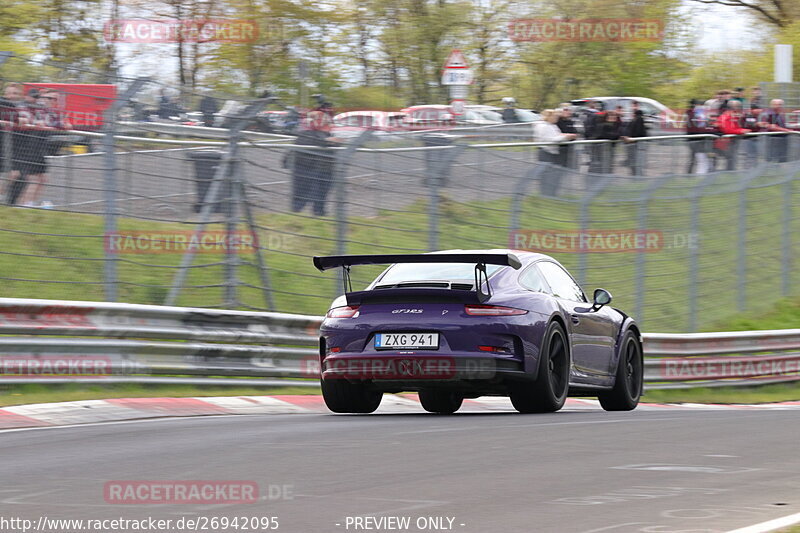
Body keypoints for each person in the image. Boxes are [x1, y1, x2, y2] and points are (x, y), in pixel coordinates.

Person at [289, 110, 341, 216]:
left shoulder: (327, 134)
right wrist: (328, 141)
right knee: (302, 194)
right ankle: (296, 214)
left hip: (325, 170)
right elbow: (311, 141)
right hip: (306, 169)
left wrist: (331, 141)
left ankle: (318, 213)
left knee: (321, 195)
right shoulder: (306, 134)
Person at [534, 109, 577, 196]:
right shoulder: (543, 126)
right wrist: (566, 137)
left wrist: (564, 136)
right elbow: (550, 140)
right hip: (546, 152)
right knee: (547, 175)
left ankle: (552, 194)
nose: (557, 118)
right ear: (548, 117)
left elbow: (556, 136)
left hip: (553, 152)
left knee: (554, 175)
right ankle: (546, 194)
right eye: (555, 116)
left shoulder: (552, 126)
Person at [714, 100, 750, 170]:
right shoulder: (725, 116)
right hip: (724, 141)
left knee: (732, 158)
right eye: (738, 107)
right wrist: (741, 131)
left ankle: (731, 172)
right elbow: (727, 130)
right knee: (727, 158)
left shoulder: (734, 117)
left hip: (732, 141)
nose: (739, 109)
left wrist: (741, 130)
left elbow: (736, 127)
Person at [685, 99, 714, 174]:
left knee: (698, 159)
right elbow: (698, 127)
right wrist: (710, 131)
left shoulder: (695, 114)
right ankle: (698, 176)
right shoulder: (694, 114)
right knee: (700, 159)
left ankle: (691, 174)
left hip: (697, 138)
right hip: (696, 139)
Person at [759, 99, 792, 163]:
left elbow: (782, 125)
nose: (778, 106)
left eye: (780, 105)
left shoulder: (781, 114)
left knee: (782, 156)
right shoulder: (768, 114)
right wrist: (786, 130)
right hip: (772, 138)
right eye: (776, 104)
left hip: (783, 138)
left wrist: (790, 128)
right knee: (772, 157)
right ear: (771, 105)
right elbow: (771, 126)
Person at [622, 102, 648, 176]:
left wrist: (632, 139)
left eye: (635, 106)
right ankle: (636, 175)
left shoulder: (639, 118)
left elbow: (639, 131)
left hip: (636, 143)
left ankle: (637, 176)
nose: (633, 107)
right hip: (633, 142)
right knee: (634, 161)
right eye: (633, 106)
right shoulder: (634, 118)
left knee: (637, 161)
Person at [555, 104, 577, 168]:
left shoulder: (570, 121)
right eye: (566, 110)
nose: (568, 112)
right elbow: (556, 134)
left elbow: (575, 133)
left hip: (568, 149)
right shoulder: (557, 121)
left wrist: (571, 136)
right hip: (559, 149)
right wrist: (568, 136)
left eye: (569, 110)